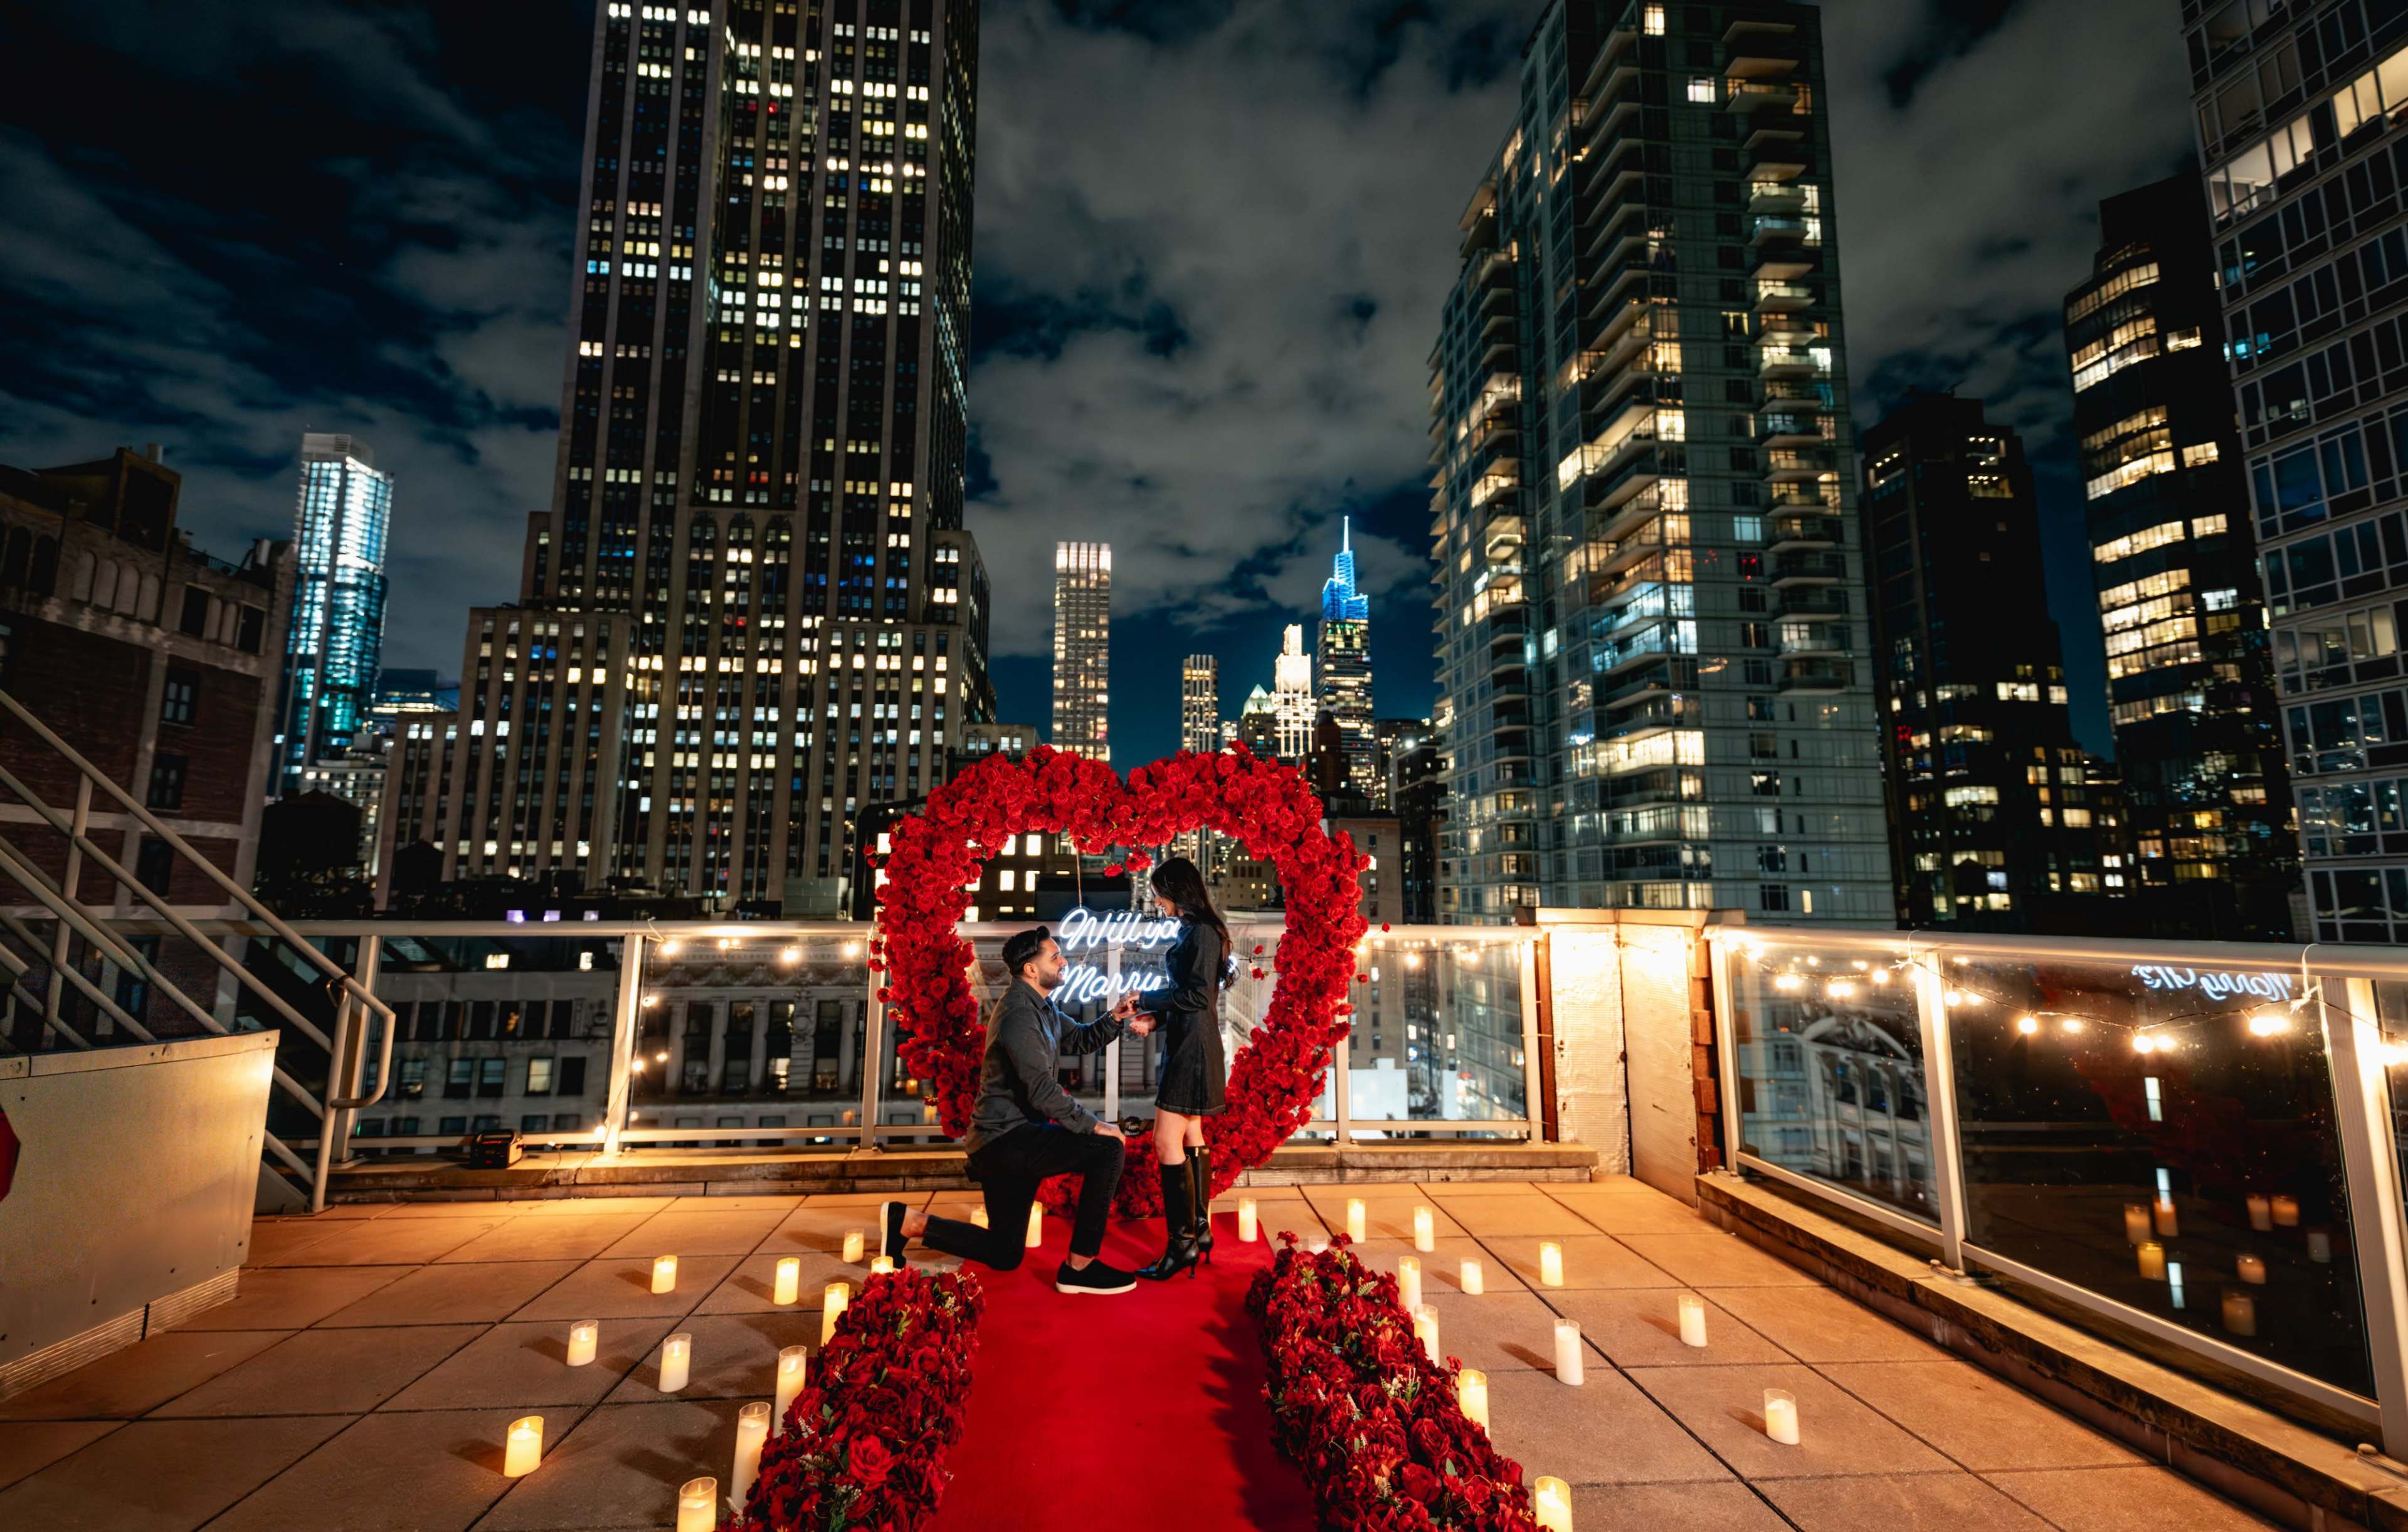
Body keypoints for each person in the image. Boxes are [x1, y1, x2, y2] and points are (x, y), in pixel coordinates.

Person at [880, 925, 1151, 1294]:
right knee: (1108, 1150)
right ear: (1031, 970)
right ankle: (1080, 1266)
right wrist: (1094, 1126)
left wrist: (1116, 1017)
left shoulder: (1043, 1007)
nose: (1064, 962)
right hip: (1006, 1141)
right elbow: (1041, 1088)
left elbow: (1082, 1039)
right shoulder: (1019, 1015)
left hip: (1012, 1140)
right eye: (1055, 957)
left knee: (1005, 1253)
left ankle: (907, 1223)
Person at [1111, 855, 1231, 1281]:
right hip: (1190, 1042)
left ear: (1176, 891)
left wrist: (1145, 1000)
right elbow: (1190, 998)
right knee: (1192, 1135)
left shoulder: (1200, 933)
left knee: (1166, 1142)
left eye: (1158, 890)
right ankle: (1198, 1232)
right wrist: (1155, 1018)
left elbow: (1197, 997)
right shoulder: (1196, 931)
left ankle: (1181, 1245)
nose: (1154, 898)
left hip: (1191, 1051)